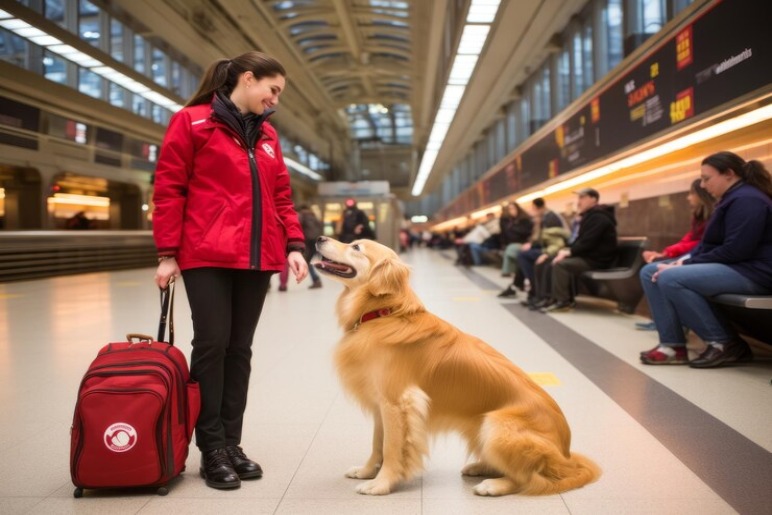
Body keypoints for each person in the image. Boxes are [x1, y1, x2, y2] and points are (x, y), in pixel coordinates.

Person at [152, 51, 309, 490]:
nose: (275, 99)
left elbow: (281, 196)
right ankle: (212, 448)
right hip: (206, 254)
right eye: (272, 89)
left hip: (258, 257)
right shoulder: (193, 122)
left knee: (240, 349)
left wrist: (294, 244)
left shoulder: (269, 135)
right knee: (212, 346)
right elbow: (169, 188)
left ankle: (232, 444)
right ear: (247, 78)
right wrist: (167, 252)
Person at [639, 151, 772, 367]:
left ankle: (724, 343)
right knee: (649, 272)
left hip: (755, 272)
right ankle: (672, 345)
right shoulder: (731, 200)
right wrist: (680, 261)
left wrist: (685, 263)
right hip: (738, 267)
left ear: (729, 174)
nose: (702, 184)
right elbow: (707, 245)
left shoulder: (748, 200)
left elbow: (736, 251)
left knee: (671, 278)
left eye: (706, 178)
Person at [635, 179, 715, 331]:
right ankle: (666, 322)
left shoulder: (712, 216)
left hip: (699, 257)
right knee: (654, 268)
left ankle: (672, 325)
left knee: (655, 270)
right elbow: (690, 239)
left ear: (701, 194)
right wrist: (666, 252)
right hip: (692, 256)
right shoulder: (699, 216)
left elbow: (701, 244)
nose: (688, 197)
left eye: (691, 193)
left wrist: (669, 254)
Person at [541, 188, 618, 312]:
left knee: (561, 265)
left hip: (598, 260)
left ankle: (563, 301)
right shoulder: (591, 216)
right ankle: (552, 298)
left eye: (582, 198)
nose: (578, 202)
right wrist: (568, 250)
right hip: (589, 256)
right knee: (552, 259)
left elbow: (588, 242)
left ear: (593, 199)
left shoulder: (599, 218)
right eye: (579, 198)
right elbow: (582, 241)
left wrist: (569, 252)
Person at [499, 197, 566, 298]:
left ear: (538, 208)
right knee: (523, 254)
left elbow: (557, 244)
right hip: (546, 248)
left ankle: (534, 288)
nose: (532, 211)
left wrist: (545, 253)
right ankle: (517, 286)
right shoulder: (546, 218)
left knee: (522, 255)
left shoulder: (550, 219)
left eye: (533, 208)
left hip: (553, 250)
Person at [279, 205, 323, 290]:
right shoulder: (314, 216)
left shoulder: (301, 216)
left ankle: (316, 279)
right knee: (308, 261)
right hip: (316, 240)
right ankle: (316, 280)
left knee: (306, 262)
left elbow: (297, 227)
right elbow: (320, 227)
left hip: (307, 241)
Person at [497, 201, 534, 280]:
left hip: (524, 243)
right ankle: (514, 273)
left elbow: (526, 233)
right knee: (510, 249)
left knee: (511, 249)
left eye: (513, 208)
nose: (511, 211)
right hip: (511, 244)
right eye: (509, 209)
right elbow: (504, 234)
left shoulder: (524, 220)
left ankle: (507, 271)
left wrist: (512, 228)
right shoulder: (508, 221)